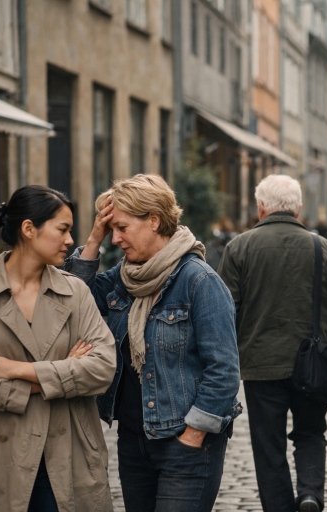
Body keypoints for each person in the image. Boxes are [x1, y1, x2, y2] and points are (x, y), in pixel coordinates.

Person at [63, 174, 241, 512]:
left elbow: (225, 371)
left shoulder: (200, 282)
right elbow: (72, 301)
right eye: (111, 229)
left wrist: (193, 436)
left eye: (123, 228)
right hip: (133, 441)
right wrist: (93, 239)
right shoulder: (124, 276)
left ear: (154, 221)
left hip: (185, 446)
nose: (116, 239)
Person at [0, 186, 117, 512]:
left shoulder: (74, 291)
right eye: (62, 229)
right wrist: (47, 381)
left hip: (69, 454)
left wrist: (18, 370)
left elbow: (103, 367)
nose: (69, 240)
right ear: (29, 229)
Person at [217, 174, 327, 512]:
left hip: (260, 365)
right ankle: (309, 494)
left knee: (269, 446)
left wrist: (226, 360)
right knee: (310, 433)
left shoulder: (239, 247)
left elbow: (223, 313)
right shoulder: (324, 248)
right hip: (314, 364)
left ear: (261, 206)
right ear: (298, 208)